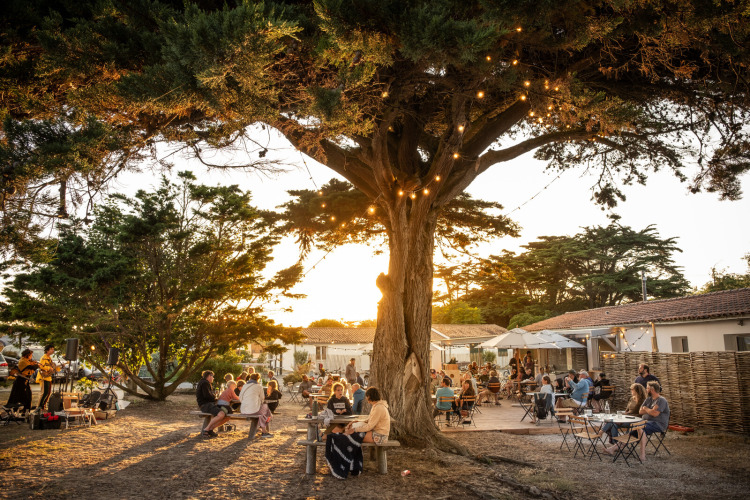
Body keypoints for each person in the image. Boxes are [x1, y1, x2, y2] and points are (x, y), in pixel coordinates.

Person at [326, 387, 391, 479]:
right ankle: (354, 466)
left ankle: (347, 463)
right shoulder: (377, 406)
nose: (366, 399)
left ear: (370, 397)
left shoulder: (378, 408)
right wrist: (355, 422)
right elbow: (369, 420)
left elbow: (369, 426)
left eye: (367, 396)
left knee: (352, 437)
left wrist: (354, 430)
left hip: (380, 436)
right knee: (354, 437)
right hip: (376, 433)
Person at [196, 370, 231, 438]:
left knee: (227, 415)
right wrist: (215, 397)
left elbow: (208, 395)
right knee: (221, 414)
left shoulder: (203, 382)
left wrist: (214, 397)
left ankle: (210, 429)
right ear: (209, 376)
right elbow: (207, 396)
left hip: (207, 404)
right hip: (205, 405)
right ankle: (206, 429)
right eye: (213, 377)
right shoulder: (205, 383)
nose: (213, 378)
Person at [239, 373, 273, 437]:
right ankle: (264, 431)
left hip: (243, 410)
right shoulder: (259, 386)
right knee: (267, 410)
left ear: (250, 378)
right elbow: (262, 399)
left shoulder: (244, 386)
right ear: (258, 379)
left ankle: (262, 429)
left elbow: (240, 398)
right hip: (253, 410)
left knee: (262, 413)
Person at [5, 348, 38, 414]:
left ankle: (26, 410)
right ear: (27, 355)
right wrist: (36, 365)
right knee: (19, 396)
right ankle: (17, 410)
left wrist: (34, 363)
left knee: (28, 395)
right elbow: (31, 367)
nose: (31, 357)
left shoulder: (26, 360)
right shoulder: (23, 361)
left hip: (25, 380)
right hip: (21, 381)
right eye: (30, 355)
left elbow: (31, 366)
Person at [36, 344, 57, 411]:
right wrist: (49, 368)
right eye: (51, 349)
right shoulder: (43, 357)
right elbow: (41, 366)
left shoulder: (49, 358)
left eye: (53, 349)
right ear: (47, 350)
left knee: (48, 393)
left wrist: (56, 368)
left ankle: (43, 406)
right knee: (44, 393)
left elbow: (52, 367)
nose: (53, 350)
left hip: (48, 378)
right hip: (43, 377)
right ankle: (39, 407)